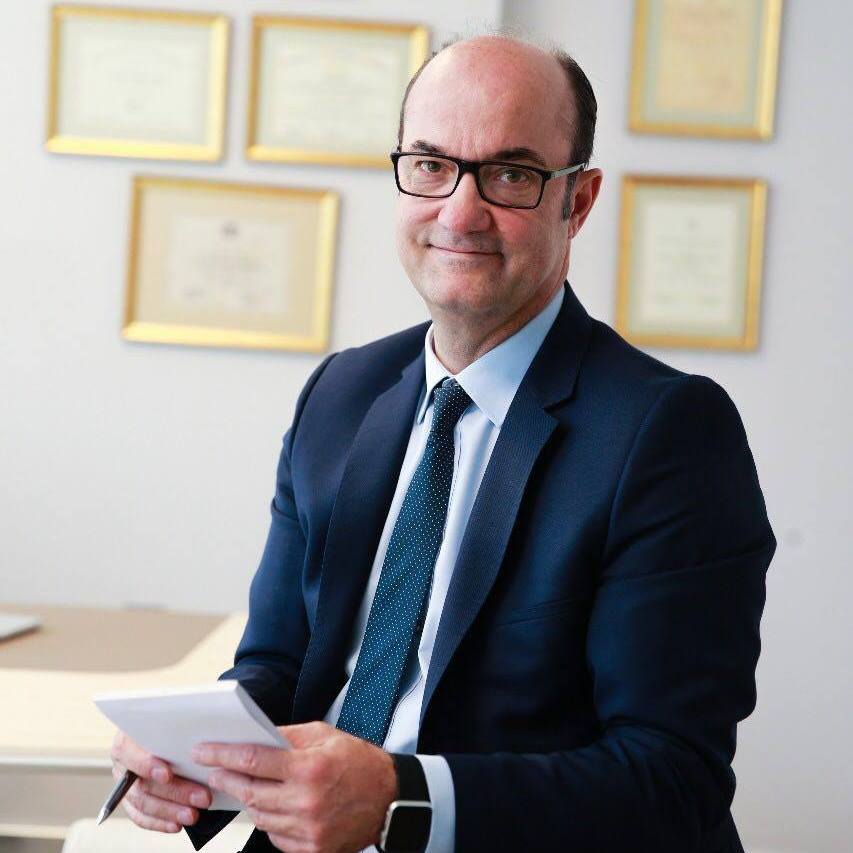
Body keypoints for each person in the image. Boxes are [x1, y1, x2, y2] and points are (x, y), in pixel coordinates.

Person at [110, 34, 775, 853]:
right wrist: (186, 760)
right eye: (430, 164)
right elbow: (277, 666)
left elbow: (671, 776)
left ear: (577, 201)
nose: (459, 212)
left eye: (510, 174)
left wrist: (399, 796)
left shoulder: (667, 432)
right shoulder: (341, 393)